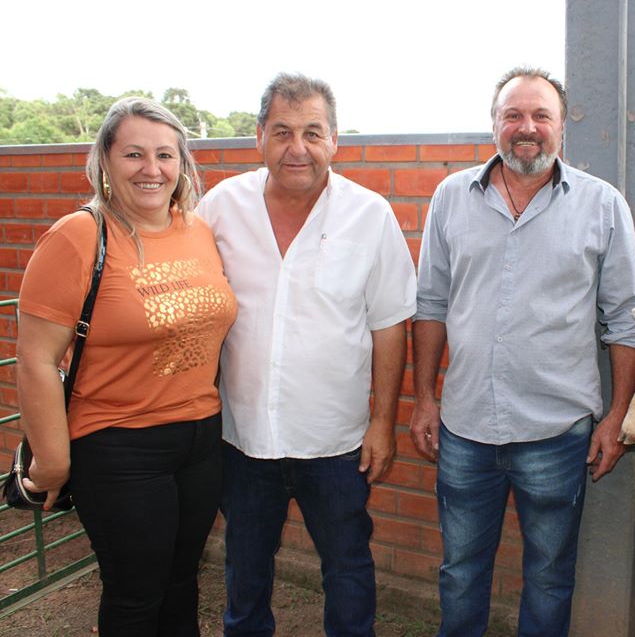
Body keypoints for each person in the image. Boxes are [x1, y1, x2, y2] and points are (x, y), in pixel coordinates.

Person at [410, 66, 635, 636]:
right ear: (493, 125)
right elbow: (430, 304)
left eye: (541, 115)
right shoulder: (451, 197)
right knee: (461, 572)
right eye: (513, 115)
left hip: (557, 434)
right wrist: (424, 398)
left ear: (562, 128)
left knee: (548, 576)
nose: (527, 127)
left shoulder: (602, 205)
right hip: (465, 428)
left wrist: (617, 416)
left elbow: (627, 320)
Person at [197, 72, 416, 637]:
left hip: (336, 439)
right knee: (245, 565)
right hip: (243, 435)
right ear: (259, 136)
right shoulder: (220, 208)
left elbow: (390, 325)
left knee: (347, 564)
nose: (298, 148)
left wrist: (383, 422)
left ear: (335, 141)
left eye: (313, 133)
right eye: (283, 132)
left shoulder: (370, 216)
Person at [16, 97, 237, 636]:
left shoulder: (197, 230)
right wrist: (50, 459)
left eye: (165, 154)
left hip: (201, 438)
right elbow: (36, 359)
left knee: (182, 581)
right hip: (118, 446)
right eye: (134, 154)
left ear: (182, 163)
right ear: (105, 162)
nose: (152, 168)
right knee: (136, 593)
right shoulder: (77, 236)